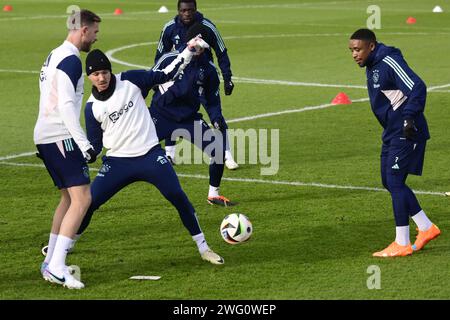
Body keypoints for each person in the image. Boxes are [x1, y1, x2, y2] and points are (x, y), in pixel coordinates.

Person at [72, 44, 224, 277]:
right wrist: (87, 153)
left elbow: (166, 74)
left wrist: (188, 52)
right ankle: (66, 244)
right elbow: (95, 144)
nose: (101, 78)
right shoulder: (92, 107)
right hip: (117, 163)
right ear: (89, 76)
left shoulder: (131, 80)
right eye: (95, 74)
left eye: (104, 72)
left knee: (177, 196)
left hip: (151, 156)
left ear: (110, 71)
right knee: (88, 203)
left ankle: (204, 248)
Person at [348, 28, 441, 257]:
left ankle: (402, 242)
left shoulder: (389, 60)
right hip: (392, 132)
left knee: (395, 181)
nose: (354, 54)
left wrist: (409, 116)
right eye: (351, 50)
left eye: (358, 49)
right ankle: (426, 227)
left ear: (371, 46)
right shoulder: (372, 65)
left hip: (407, 130)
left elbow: (418, 86)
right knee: (388, 181)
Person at [34, 9, 101, 289]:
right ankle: (58, 266)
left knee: (68, 199)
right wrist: (83, 142)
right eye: (95, 32)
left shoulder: (55, 54)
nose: (96, 39)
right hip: (60, 136)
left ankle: (51, 262)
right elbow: (65, 106)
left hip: (48, 135)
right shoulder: (71, 60)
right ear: (83, 30)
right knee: (83, 200)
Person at [150, 22, 236, 207]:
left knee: (218, 153)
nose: (198, 47)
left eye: (202, 43)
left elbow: (212, 99)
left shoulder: (209, 69)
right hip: (161, 115)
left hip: (189, 119)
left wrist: (216, 118)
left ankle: (213, 195)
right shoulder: (169, 58)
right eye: (195, 41)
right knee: (134, 151)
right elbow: (149, 81)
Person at [155, 0, 239, 170]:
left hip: (203, 78)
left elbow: (221, 51)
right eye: (183, 10)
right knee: (172, 111)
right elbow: (160, 54)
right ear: (178, 11)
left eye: (190, 10)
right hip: (179, 79)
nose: (187, 14)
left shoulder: (207, 27)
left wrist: (227, 77)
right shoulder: (169, 27)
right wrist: (160, 79)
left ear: (196, 10)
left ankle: (226, 154)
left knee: (215, 113)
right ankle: (169, 153)